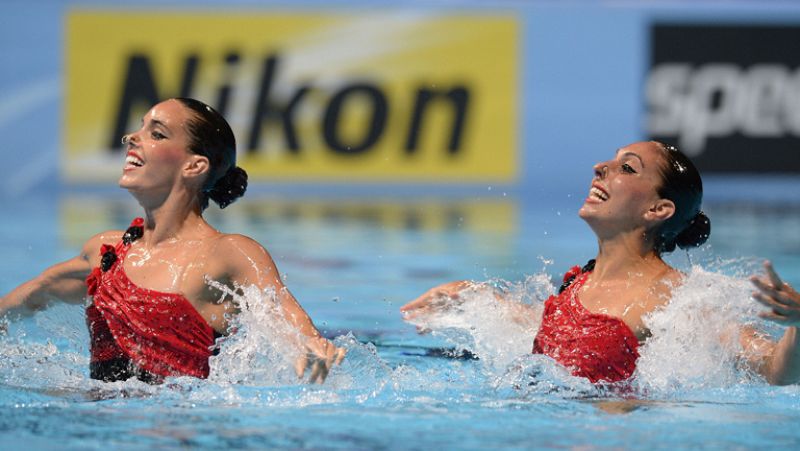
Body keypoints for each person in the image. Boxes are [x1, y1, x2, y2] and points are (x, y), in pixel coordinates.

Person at [0, 98, 344, 384]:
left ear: (194, 166)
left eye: (157, 133)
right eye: (140, 126)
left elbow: (282, 311)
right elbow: (36, 294)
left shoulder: (227, 254)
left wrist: (309, 343)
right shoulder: (105, 252)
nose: (132, 138)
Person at [401, 141, 800, 385]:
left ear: (658, 208)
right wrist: (474, 299)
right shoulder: (579, 285)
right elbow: (550, 336)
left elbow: (775, 371)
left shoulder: (681, 298)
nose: (601, 168)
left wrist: (799, 323)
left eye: (627, 168)